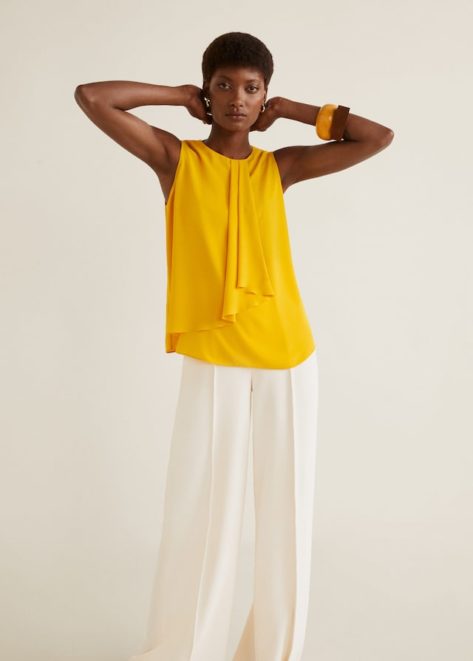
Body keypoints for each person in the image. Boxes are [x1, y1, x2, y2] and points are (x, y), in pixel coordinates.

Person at [74, 31, 394, 661]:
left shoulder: (280, 167)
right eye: (224, 86)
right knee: (202, 513)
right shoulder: (176, 160)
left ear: (265, 94)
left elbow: (377, 137)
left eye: (252, 88)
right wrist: (177, 97)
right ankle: (181, 651)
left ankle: (273, 653)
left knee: (286, 517)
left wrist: (295, 111)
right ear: (208, 91)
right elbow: (92, 97)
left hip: (288, 356)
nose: (238, 99)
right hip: (213, 358)